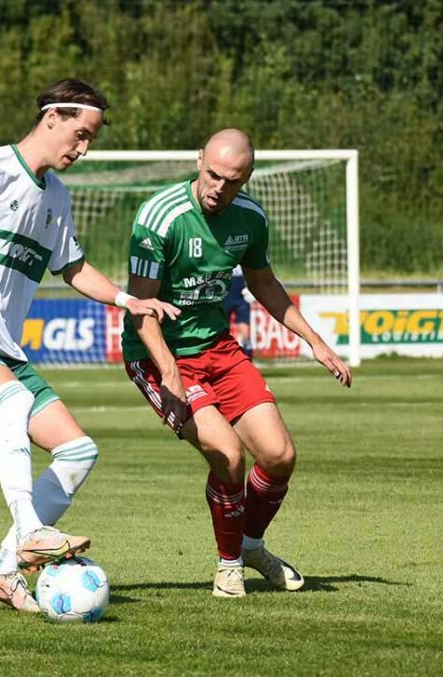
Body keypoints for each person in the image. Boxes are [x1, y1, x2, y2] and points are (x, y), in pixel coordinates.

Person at [0, 79, 180, 614]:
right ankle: (30, 531)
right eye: (80, 134)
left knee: (78, 450)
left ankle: (1, 570)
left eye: (91, 139)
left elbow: (70, 267)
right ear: (52, 118)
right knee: (16, 402)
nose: (83, 148)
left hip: (4, 351)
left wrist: (126, 299)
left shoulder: (57, 196)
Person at [121, 128, 352, 598]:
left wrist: (315, 341)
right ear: (199, 159)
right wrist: (169, 373)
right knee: (228, 455)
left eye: (232, 180)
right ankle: (229, 567)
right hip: (158, 353)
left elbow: (264, 284)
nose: (218, 187)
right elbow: (139, 307)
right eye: (212, 174)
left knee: (280, 456)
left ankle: (249, 544)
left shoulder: (250, 218)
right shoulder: (159, 218)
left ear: (246, 178)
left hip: (220, 351)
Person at [224, 265, 253, 356]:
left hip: (241, 295)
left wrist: (250, 288)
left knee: (245, 333)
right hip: (225, 294)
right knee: (222, 331)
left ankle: (247, 360)